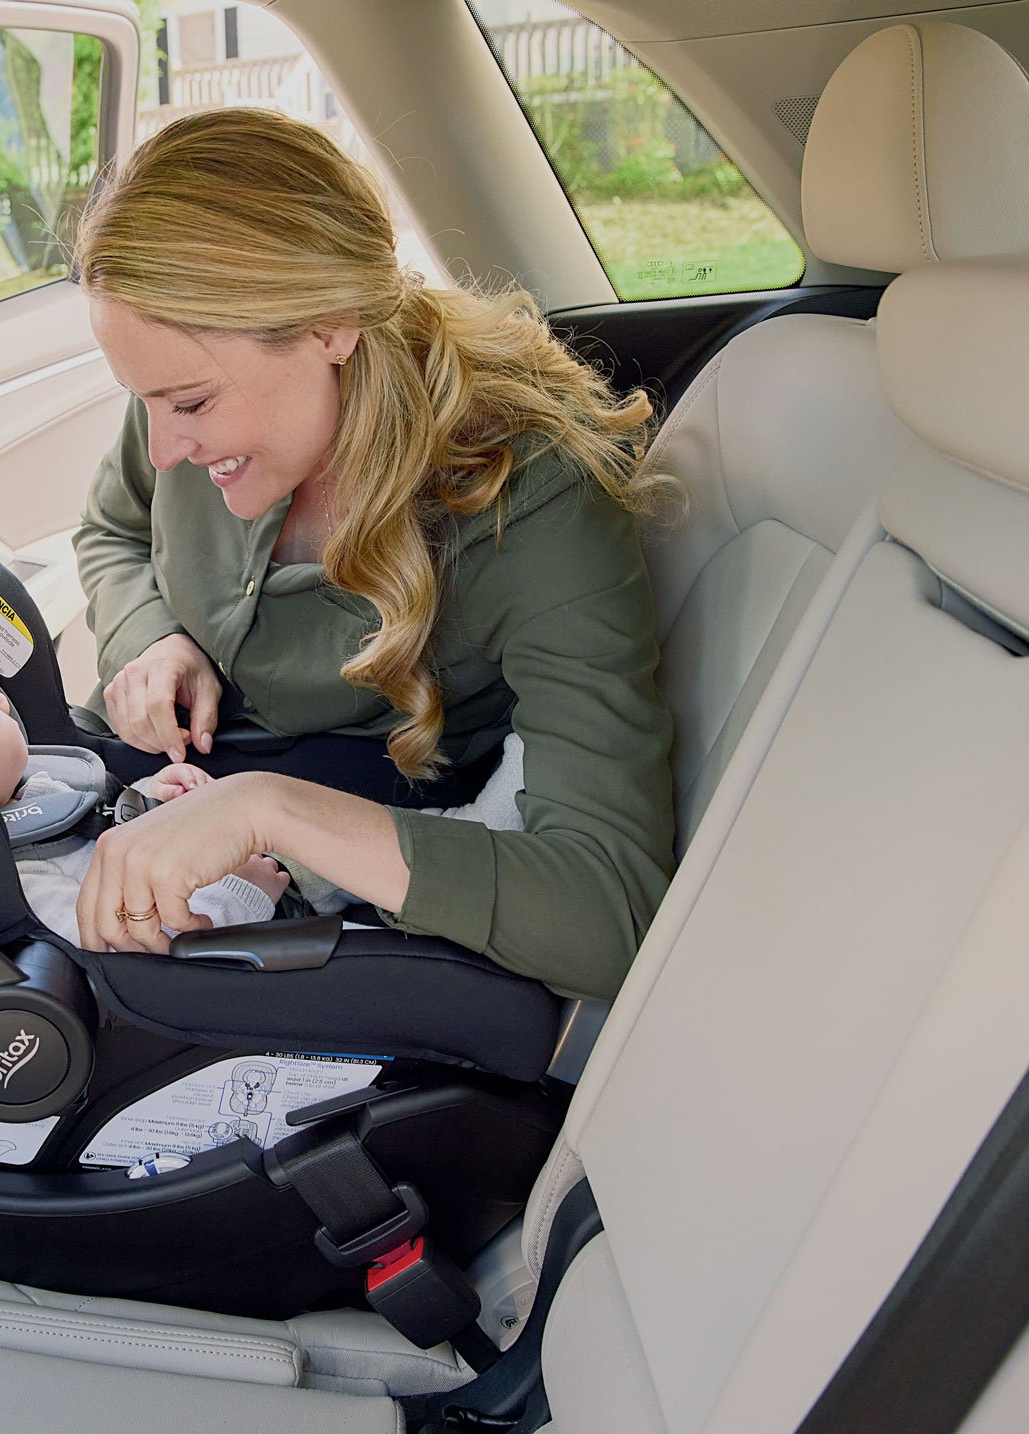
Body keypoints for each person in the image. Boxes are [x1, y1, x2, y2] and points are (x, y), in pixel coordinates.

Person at [67, 107, 676, 998]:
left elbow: (610, 911)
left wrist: (267, 810)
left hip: (337, 866)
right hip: (151, 790)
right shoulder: (183, 396)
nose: (163, 448)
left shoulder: (537, 503)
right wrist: (149, 637)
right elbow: (114, 525)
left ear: (330, 325)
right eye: (144, 402)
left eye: (190, 405)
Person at [0, 616, 290, 946]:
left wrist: (148, 798)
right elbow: (139, 947)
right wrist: (243, 896)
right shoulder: (20, 881)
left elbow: (87, 825)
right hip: (242, 926)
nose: (2, 702)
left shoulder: (22, 793)